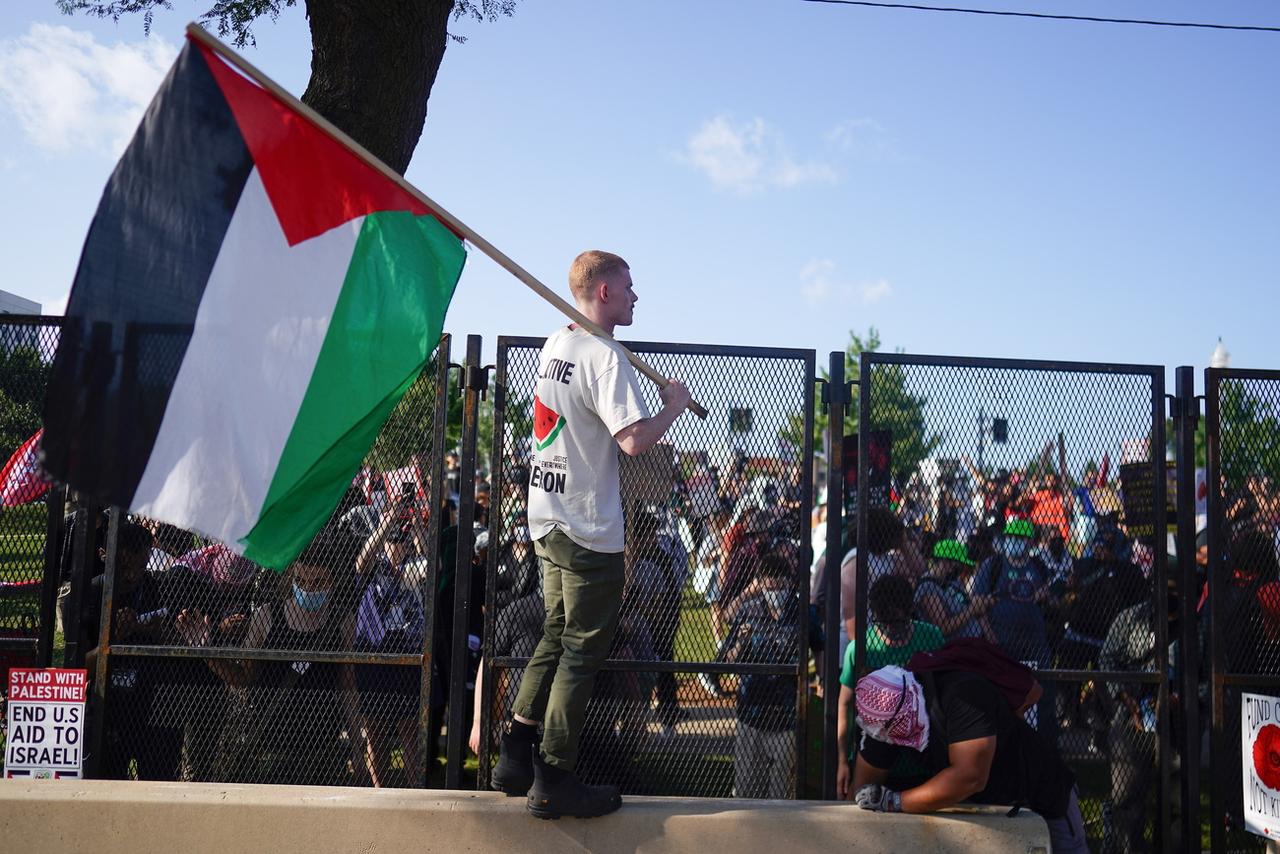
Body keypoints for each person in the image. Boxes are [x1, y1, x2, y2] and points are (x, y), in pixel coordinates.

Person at [493, 250, 691, 819]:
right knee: (582, 650)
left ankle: (515, 752)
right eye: (628, 287)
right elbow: (633, 441)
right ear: (603, 292)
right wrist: (671, 407)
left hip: (546, 516)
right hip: (585, 527)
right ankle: (554, 774)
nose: (635, 296)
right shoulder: (606, 356)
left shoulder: (559, 342)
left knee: (556, 631)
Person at [848, 664, 1087, 854]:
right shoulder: (884, 720)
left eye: (892, 728)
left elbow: (970, 777)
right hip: (989, 811)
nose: (886, 736)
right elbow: (861, 794)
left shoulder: (962, 695)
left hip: (1039, 794)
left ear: (909, 700)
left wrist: (893, 802)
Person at [836, 575, 944, 791]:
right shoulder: (860, 648)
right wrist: (842, 761)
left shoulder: (931, 637)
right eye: (884, 622)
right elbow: (844, 704)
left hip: (923, 759)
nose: (891, 629)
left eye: (897, 621)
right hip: (874, 759)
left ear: (909, 611)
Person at [712, 553, 801, 798]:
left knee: (781, 788)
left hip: (785, 712)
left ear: (789, 583)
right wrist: (741, 641)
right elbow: (726, 660)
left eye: (781, 586)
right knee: (747, 787)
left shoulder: (800, 612)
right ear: (760, 585)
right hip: (751, 710)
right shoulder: (749, 612)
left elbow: (820, 645)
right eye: (770, 587)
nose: (776, 592)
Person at [913, 539, 996, 642]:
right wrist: (971, 610)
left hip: (979, 638)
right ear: (944, 562)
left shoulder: (951, 582)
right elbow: (942, 628)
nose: (956, 570)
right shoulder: (927, 587)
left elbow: (968, 603)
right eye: (955, 565)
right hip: (958, 646)